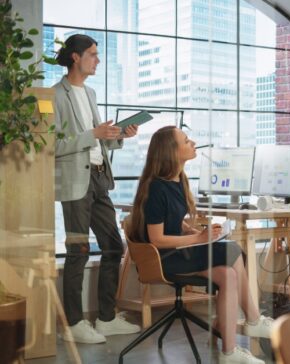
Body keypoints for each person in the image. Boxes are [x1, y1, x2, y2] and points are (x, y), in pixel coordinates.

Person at [126, 126, 273, 364]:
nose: (193, 142)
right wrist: (199, 239)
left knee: (228, 276)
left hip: (180, 252)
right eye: (186, 140)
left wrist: (194, 231)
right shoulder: (156, 188)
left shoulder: (177, 181)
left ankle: (229, 353)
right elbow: (157, 239)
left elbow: (173, 220)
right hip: (164, 258)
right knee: (232, 249)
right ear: (171, 151)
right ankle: (254, 320)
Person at [53, 34, 141, 343]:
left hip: (99, 177)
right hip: (75, 180)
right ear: (75, 57)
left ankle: (105, 318)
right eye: (92, 54)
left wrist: (118, 135)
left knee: (113, 246)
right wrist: (94, 132)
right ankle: (74, 324)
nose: (98, 60)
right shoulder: (54, 96)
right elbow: (52, 145)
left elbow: (98, 138)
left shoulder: (90, 93)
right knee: (77, 250)